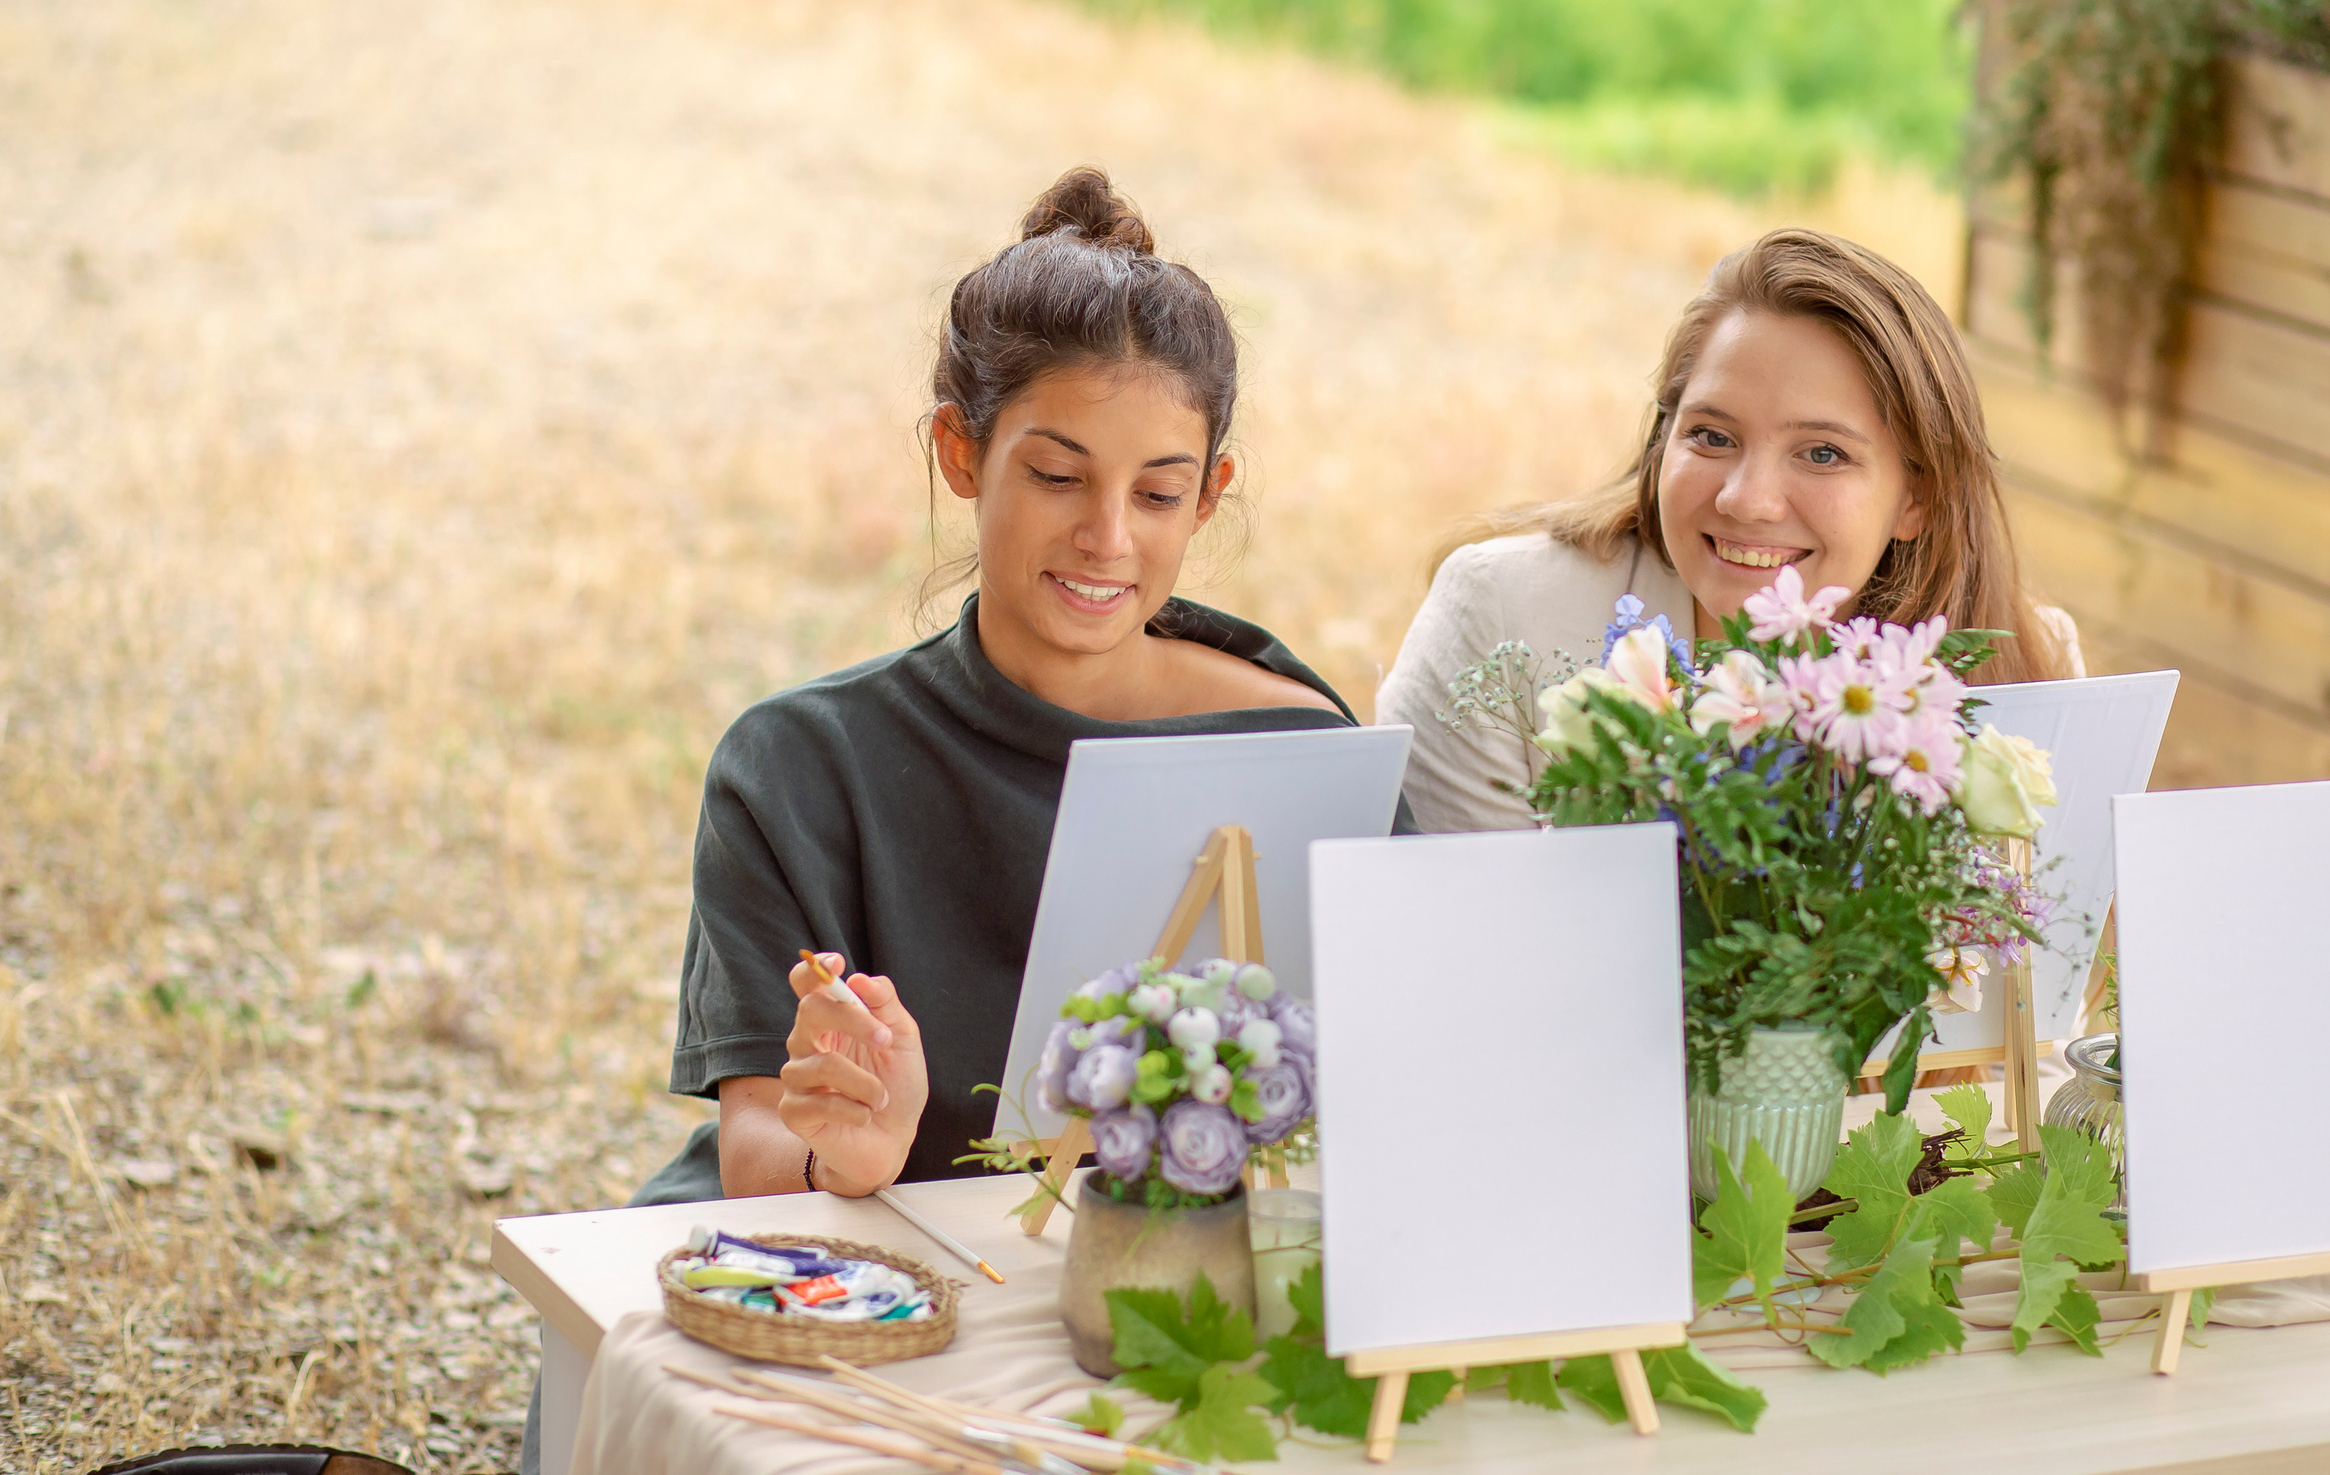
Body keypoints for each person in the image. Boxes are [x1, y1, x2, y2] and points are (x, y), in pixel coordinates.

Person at [634, 167, 1374, 1209]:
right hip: (851, 1265)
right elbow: (758, 1140)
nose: (1107, 538)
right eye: (1058, 477)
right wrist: (854, 1150)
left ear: (1208, 497)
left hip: (1164, 1277)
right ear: (961, 451)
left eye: (1157, 492)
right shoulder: (799, 769)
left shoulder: (1296, 753)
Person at [1377, 226, 2085, 833]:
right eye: (1713, 436)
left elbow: (2037, 987)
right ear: (1664, 438)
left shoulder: (2026, 667)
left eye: (1822, 453)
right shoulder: (1504, 615)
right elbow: (1452, 960)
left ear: (1916, 498)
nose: (1748, 500)